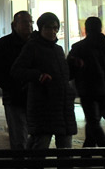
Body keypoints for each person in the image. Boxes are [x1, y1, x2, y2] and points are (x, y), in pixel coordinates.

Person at [12, 12, 76, 149]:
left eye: (55, 28)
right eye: (48, 28)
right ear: (41, 29)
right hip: (43, 107)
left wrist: (74, 66)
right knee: (40, 145)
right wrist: (38, 76)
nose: (52, 31)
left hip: (63, 107)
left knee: (65, 149)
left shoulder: (58, 50)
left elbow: (64, 76)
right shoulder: (32, 47)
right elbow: (17, 70)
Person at [68, 16, 105, 147]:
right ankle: (87, 152)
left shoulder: (78, 48)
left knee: (93, 122)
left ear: (85, 29)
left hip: (87, 90)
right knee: (94, 121)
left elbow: (69, 72)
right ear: (101, 29)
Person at [0, 10, 33, 149]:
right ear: (15, 24)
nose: (29, 25)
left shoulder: (35, 43)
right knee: (19, 137)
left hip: (34, 96)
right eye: (25, 22)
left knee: (35, 137)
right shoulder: (3, 44)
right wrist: (11, 87)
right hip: (15, 97)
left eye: (30, 22)